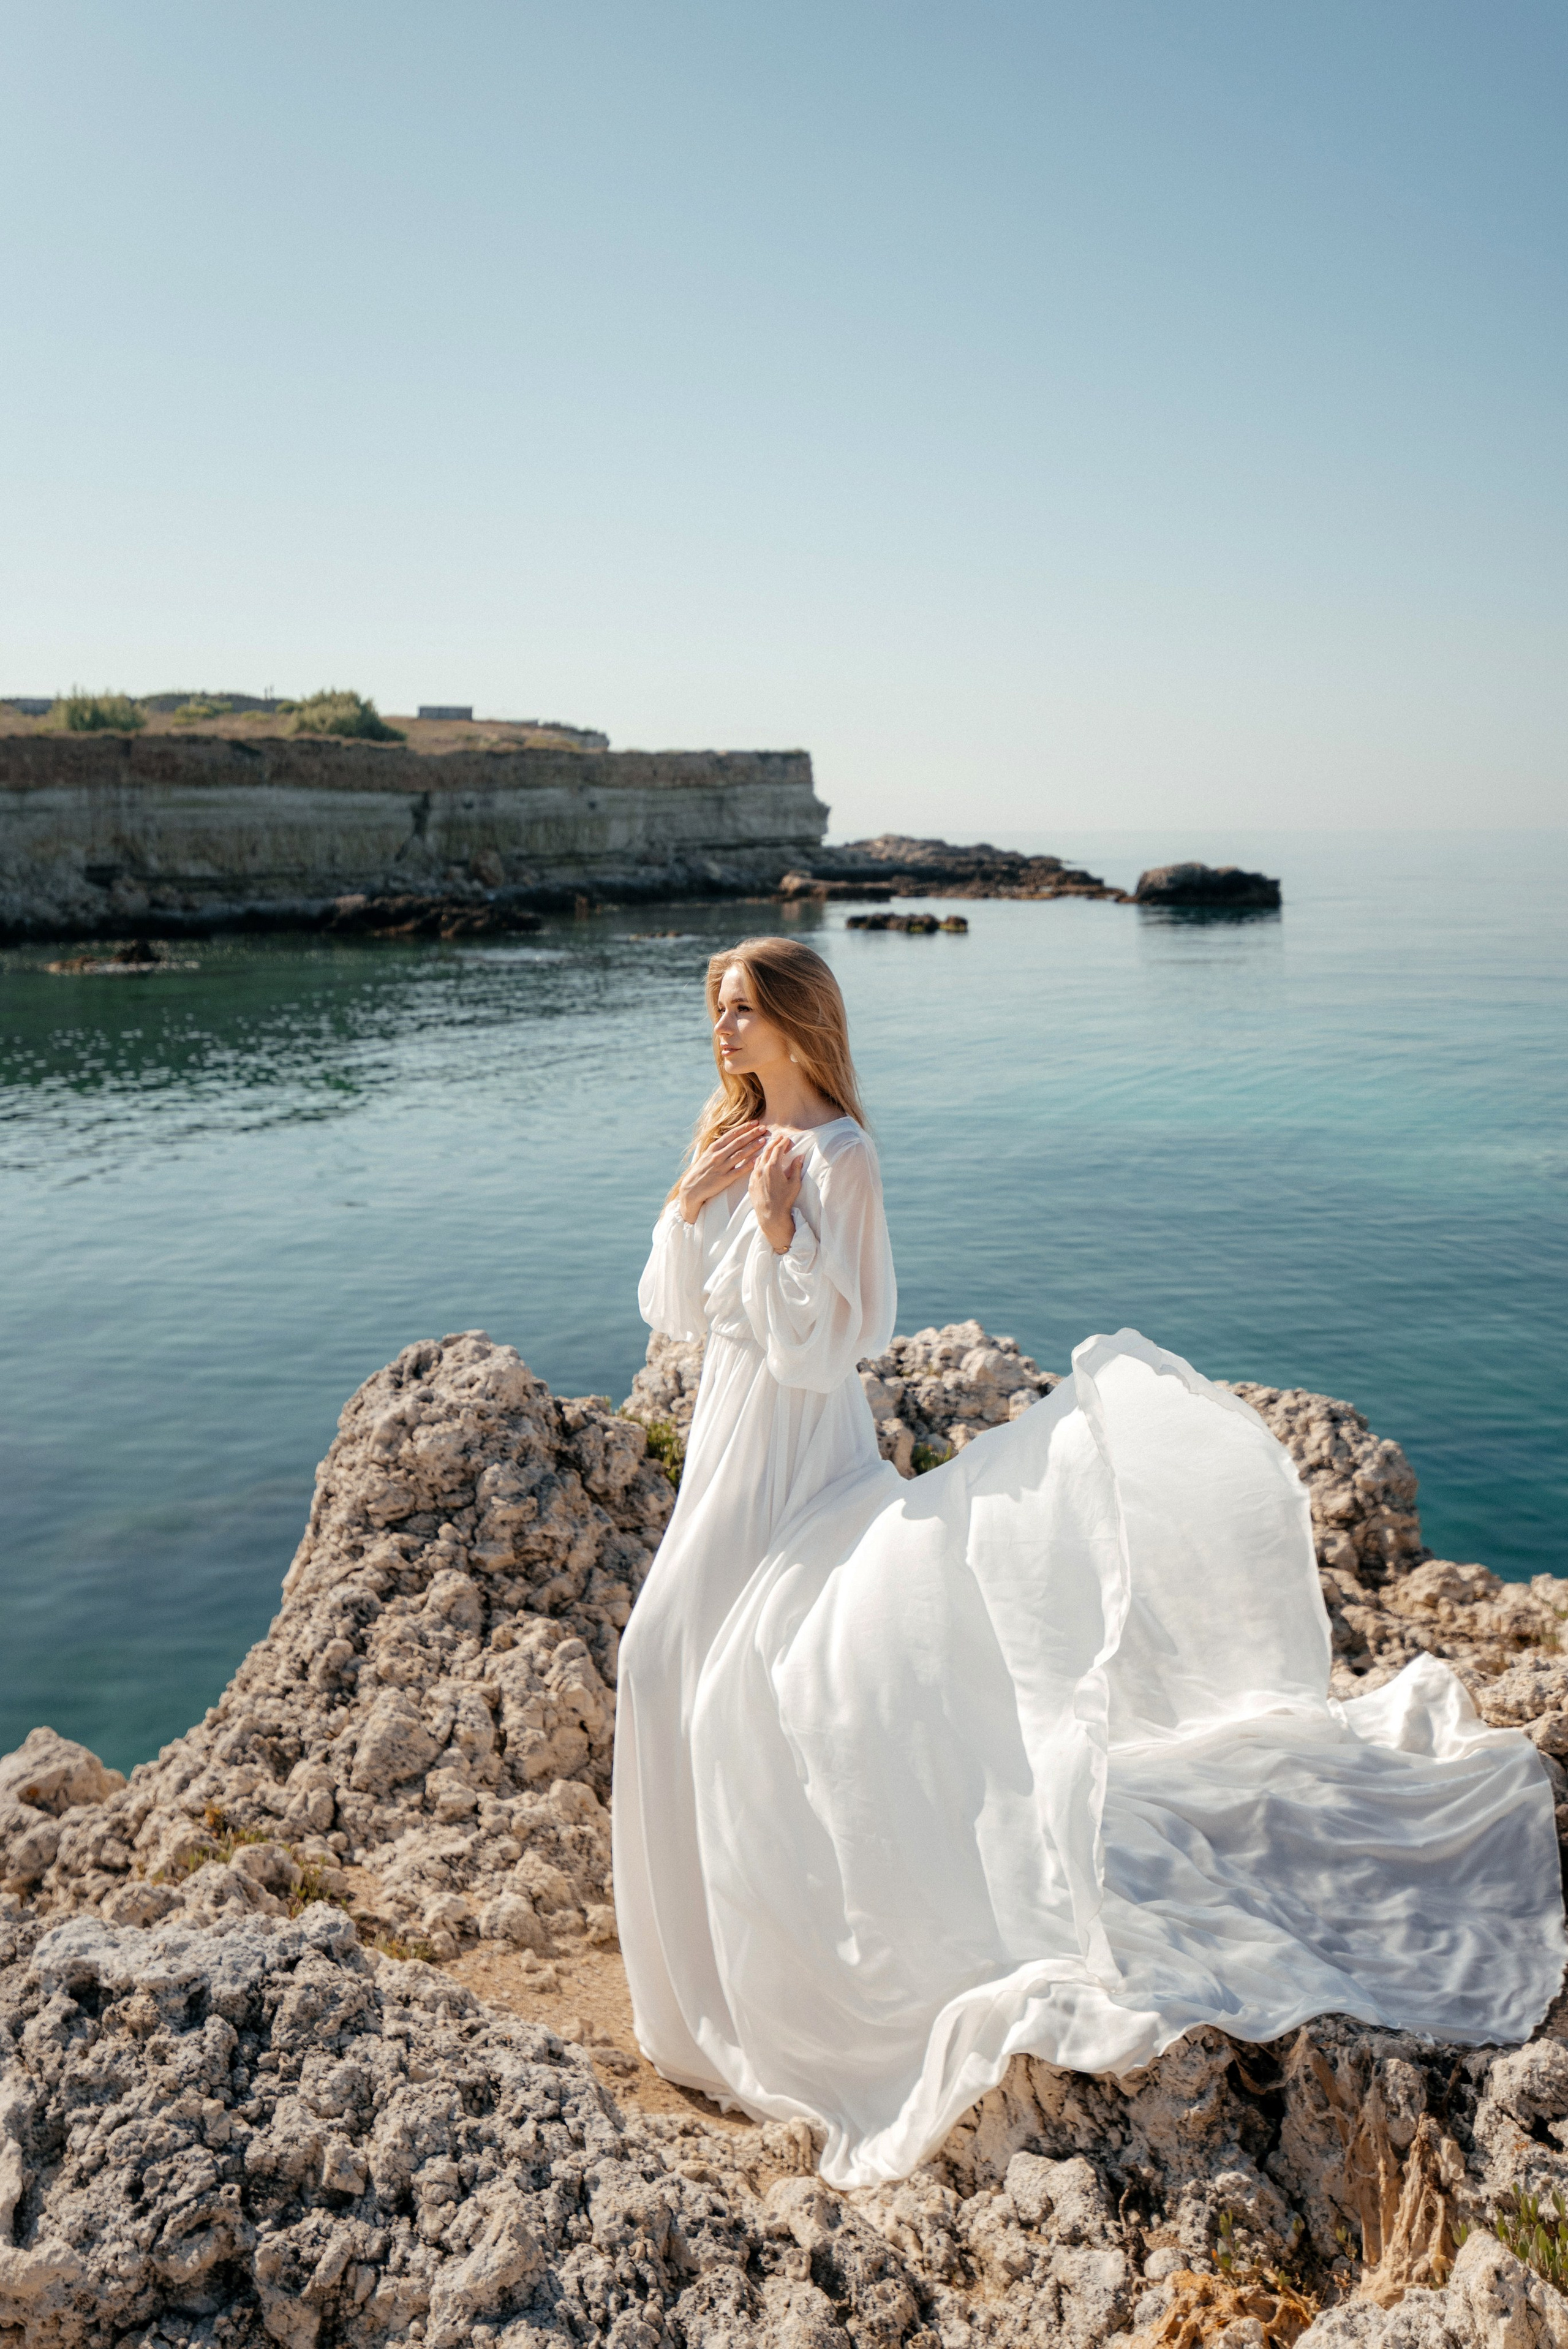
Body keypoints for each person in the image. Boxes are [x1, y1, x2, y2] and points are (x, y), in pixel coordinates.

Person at [610, 936, 1564, 2192]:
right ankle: (695, 1993)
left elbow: (829, 1345)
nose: (721, 1030)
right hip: (728, 1452)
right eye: (716, 1010)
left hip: (797, 1451)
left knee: (694, 1664)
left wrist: (783, 1230)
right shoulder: (732, 1146)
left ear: (796, 1020)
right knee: (673, 1664)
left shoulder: (842, 1157)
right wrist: (694, 1203)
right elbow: (676, 1317)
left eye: (741, 1010)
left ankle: (758, 1989)